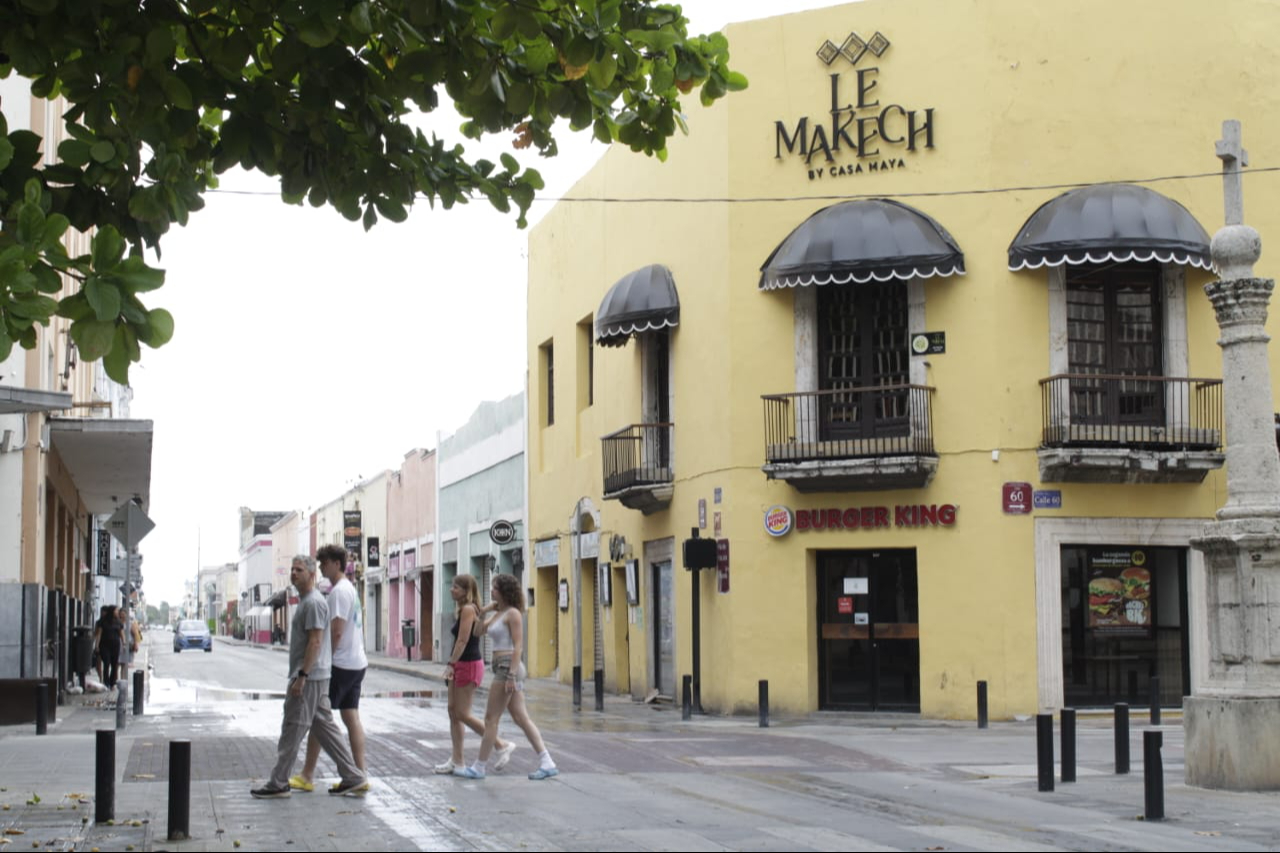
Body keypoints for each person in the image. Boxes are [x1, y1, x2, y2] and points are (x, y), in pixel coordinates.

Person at [250, 555, 367, 799]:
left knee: (292, 728)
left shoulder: (313, 603)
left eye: (299, 570)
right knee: (326, 730)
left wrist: (302, 675)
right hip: (318, 676)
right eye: (292, 569)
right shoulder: (308, 601)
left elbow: (315, 641)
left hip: (310, 678)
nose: (294, 573)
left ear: (311, 574)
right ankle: (353, 776)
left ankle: (278, 782)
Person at [455, 573, 558, 781]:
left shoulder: (513, 614)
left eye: (494, 588)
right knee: (521, 718)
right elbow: (477, 632)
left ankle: (479, 767)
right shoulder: (498, 614)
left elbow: (519, 646)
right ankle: (547, 762)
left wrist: (511, 675)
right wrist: (483, 611)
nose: (491, 591)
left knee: (491, 719)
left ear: (504, 591)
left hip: (507, 667)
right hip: (502, 667)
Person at [291, 545, 371, 793]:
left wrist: (323, 660)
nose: (322, 568)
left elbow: (335, 632)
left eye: (324, 563)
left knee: (319, 718)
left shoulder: (338, 593)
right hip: (357, 662)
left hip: (340, 663)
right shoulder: (350, 590)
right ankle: (360, 774)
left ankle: (308, 774)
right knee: (350, 718)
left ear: (337, 564)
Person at [433, 574, 514, 776]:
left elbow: (462, 641)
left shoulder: (468, 609)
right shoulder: (465, 609)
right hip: (460, 663)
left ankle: (501, 744)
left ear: (466, 591)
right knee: (453, 712)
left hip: (467, 664)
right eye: (452, 586)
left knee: (462, 713)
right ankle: (457, 760)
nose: (452, 590)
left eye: (456, 587)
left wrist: (451, 664)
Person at [93, 605, 125, 688]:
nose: (117, 612)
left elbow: (121, 634)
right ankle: (106, 682)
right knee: (106, 663)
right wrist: (96, 646)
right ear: (111, 612)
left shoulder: (118, 622)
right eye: (116, 611)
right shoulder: (103, 622)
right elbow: (99, 634)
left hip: (115, 646)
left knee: (114, 665)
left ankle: (112, 682)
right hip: (104, 646)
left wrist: (124, 643)